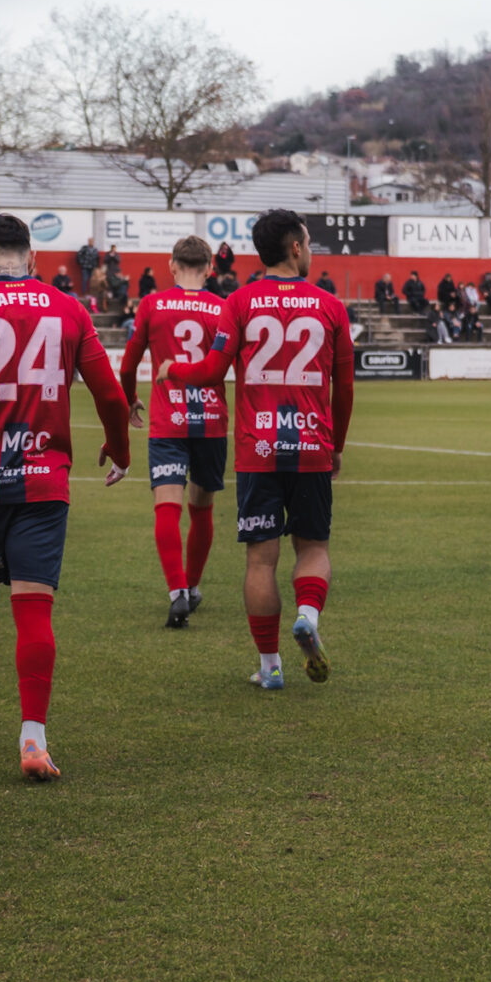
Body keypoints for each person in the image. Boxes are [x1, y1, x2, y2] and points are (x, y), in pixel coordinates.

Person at [0, 213, 131, 779]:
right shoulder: (69, 309)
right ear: (33, 259)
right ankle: (33, 739)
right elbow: (110, 394)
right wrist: (120, 447)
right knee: (34, 608)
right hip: (43, 481)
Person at [207, 209, 355, 688]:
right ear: (295, 247)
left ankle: (270, 666)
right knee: (313, 547)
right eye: (308, 242)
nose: (310, 250)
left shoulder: (239, 301)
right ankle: (307, 617)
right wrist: (336, 446)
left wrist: (172, 370)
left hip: (259, 448)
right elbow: (344, 389)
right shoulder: (330, 306)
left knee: (260, 560)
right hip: (311, 444)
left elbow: (212, 372)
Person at [118, 234, 230, 628]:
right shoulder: (223, 308)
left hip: (169, 420)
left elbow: (128, 365)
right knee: (202, 508)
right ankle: (193, 586)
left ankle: (177, 592)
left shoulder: (152, 304)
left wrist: (130, 398)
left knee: (167, 505)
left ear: (171, 266)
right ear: (210, 268)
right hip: (211, 420)